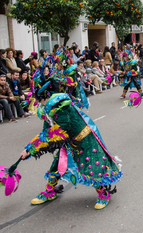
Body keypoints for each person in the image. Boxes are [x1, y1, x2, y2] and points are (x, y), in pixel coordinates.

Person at [19, 65, 122, 210]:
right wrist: (31, 147)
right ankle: (50, 191)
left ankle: (104, 193)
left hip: (84, 139)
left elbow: (57, 131)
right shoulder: (46, 107)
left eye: (36, 96)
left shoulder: (60, 105)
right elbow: (47, 129)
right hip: (68, 140)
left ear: (43, 95)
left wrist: (31, 149)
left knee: (92, 167)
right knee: (57, 164)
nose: (35, 100)